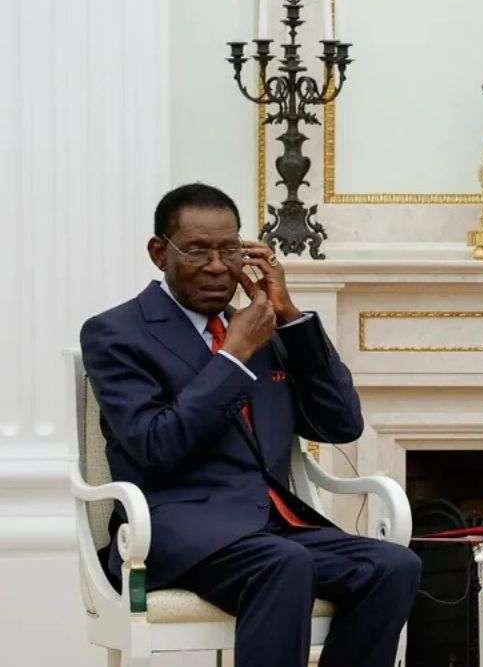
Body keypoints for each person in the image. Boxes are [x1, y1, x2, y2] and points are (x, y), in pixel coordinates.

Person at [80, 182, 420, 667]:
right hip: (176, 531)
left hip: (272, 526)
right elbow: (156, 446)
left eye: (230, 250)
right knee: (284, 564)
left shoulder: (262, 328)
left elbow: (341, 424)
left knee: (392, 566)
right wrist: (234, 355)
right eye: (198, 251)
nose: (218, 266)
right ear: (159, 253)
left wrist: (290, 318)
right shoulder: (117, 333)